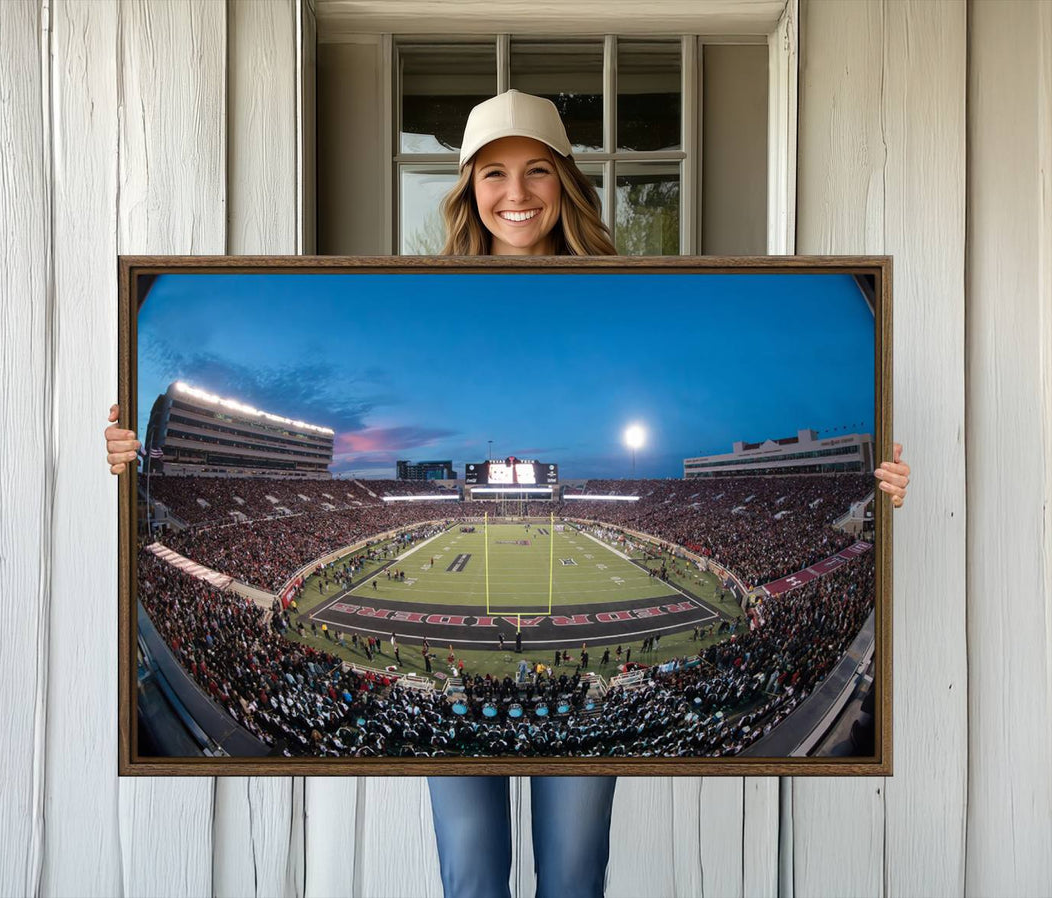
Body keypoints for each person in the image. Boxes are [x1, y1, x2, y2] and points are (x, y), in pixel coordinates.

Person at [104, 88, 913, 898]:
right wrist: (132, 455)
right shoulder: (421, 288)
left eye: (536, 171)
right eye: (493, 173)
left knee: (572, 875)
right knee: (472, 876)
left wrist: (871, 483)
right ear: (467, 188)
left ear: (565, 180)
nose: (516, 194)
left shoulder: (618, 290)